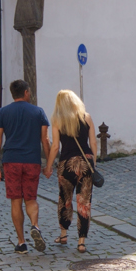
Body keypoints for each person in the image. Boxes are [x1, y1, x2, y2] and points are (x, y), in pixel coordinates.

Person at [0, 79, 51, 254]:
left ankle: (21, 242)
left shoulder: (3, 112)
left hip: (11, 161)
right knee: (30, 198)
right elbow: (45, 139)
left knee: (16, 200)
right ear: (26, 92)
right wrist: (48, 163)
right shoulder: (38, 112)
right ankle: (35, 225)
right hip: (32, 160)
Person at [45, 89, 98, 255]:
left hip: (66, 164)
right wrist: (93, 163)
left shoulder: (57, 120)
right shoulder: (86, 117)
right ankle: (81, 242)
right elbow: (93, 143)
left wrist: (48, 166)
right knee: (84, 202)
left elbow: (55, 146)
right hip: (85, 163)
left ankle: (63, 234)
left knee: (64, 199)